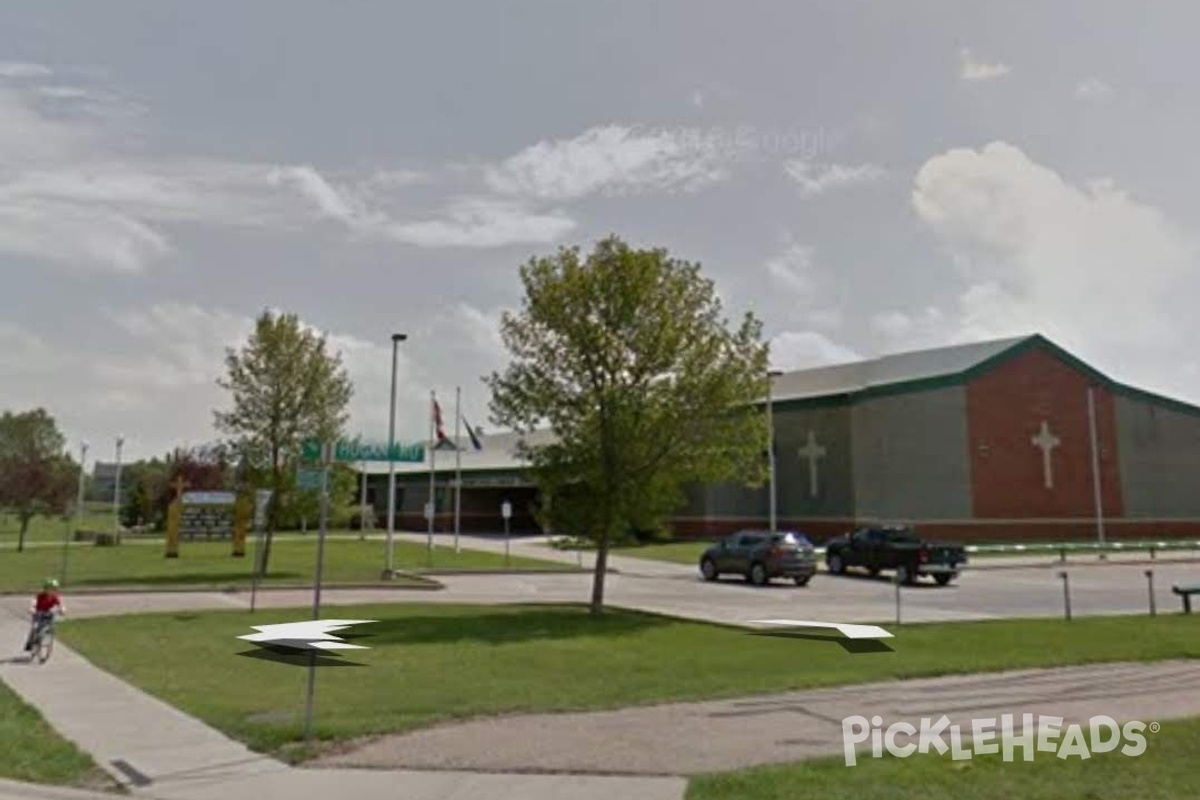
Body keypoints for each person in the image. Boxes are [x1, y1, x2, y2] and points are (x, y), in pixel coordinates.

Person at [25, 578, 65, 652]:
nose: (52, 591)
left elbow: (60, 604)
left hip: (48, 614)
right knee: (34, 627)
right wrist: (32, 608)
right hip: (38, 614)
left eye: (54, 589)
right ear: (45, 588)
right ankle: (30, 642)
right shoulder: (40, 595)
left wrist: (62, 609)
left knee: (50, 623)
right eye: (50, 589)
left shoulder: (55, 597)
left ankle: (46, 635)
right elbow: (34, 601)